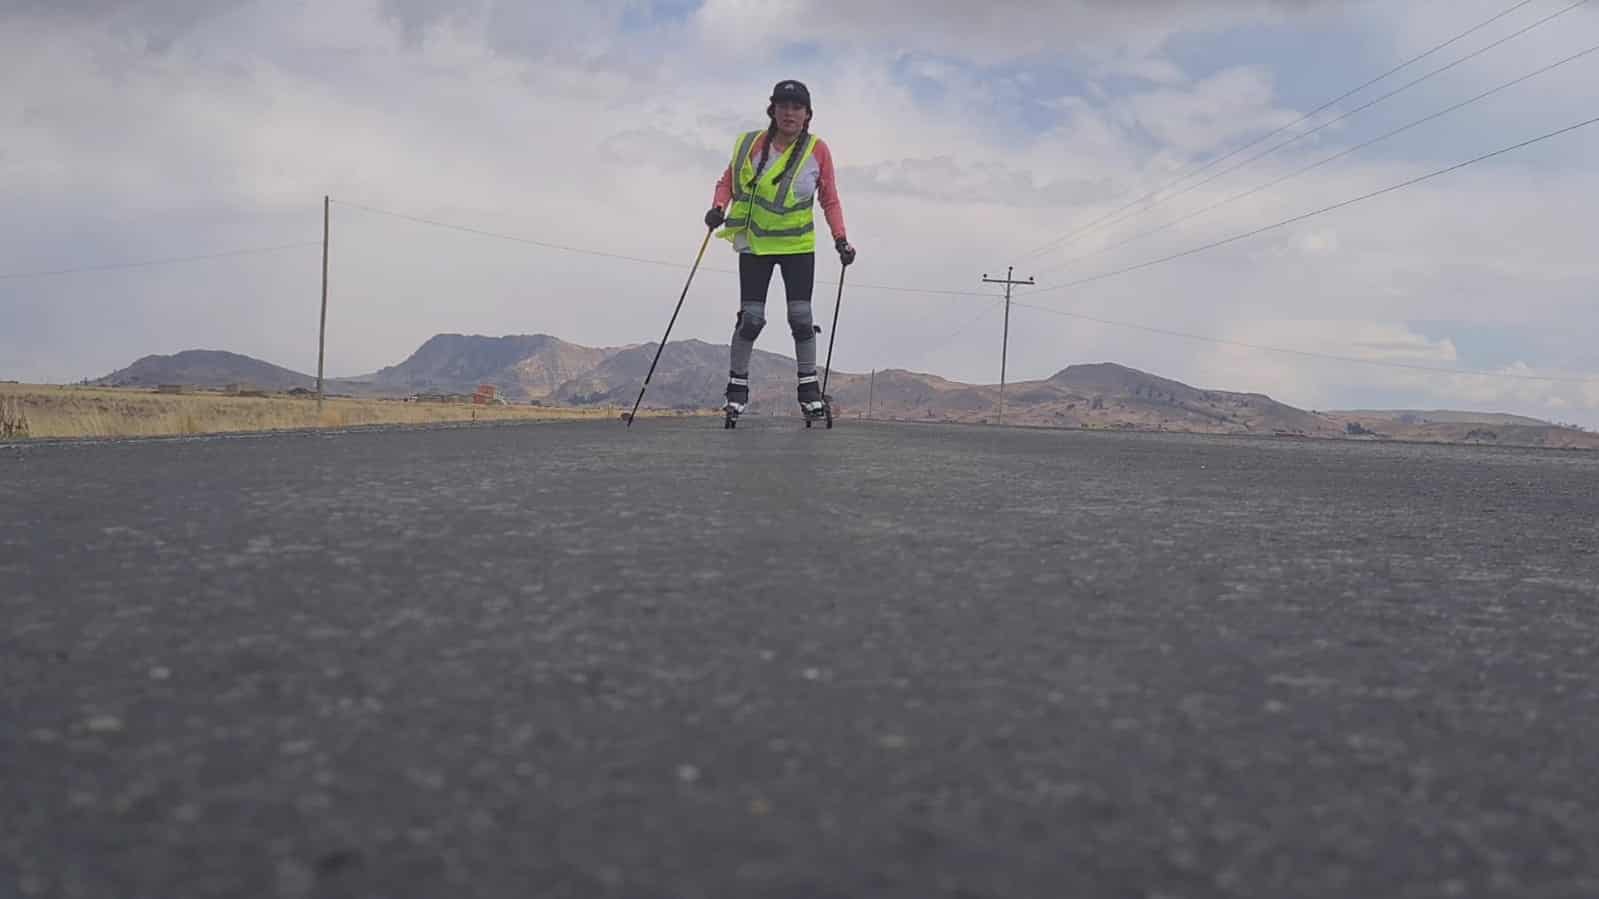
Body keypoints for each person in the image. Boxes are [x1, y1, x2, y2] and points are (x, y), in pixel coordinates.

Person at [704, 79, 856, 420]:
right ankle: (737, 390)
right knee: (751, 319)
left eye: (797, 107)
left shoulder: (818, 150)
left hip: (797, 246)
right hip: (755, 243)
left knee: (801, 318)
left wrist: (841, 239)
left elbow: (829, 198)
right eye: (783, 106)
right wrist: (718, 207)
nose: (790, 113)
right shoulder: (749, 144)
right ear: (772, 109)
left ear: (807, 115)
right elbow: (727, 181)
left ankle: (809, 392)